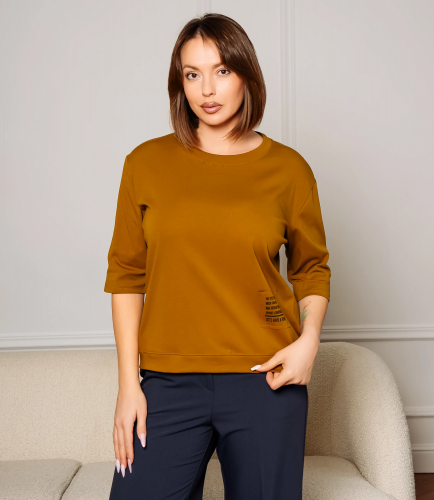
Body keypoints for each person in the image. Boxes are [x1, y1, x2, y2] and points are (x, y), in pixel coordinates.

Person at [104, 12, 331, 500]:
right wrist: (128, 385)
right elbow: (126, 276)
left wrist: (309, 339)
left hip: (266, 378)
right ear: (179, 84)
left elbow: (312, 269)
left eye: (222, 71)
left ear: (246, 75)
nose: (207, 89)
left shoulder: (289, 171)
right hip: (168, 382)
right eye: (193, 74)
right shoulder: (144, 164)